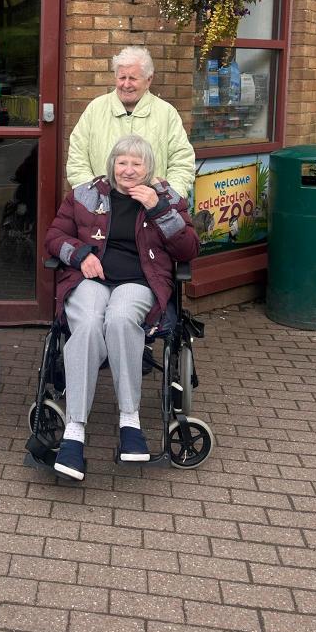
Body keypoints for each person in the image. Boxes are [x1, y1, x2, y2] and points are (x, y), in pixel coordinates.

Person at [44, 134, 199, 480]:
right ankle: (75, 429)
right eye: (122, 162)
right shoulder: (85, 194)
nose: (128, 170)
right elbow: (54, 237)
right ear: (112, 163)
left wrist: (158, 210)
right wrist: (80, 254)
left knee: (119, 318)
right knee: (86, 324)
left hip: (139, 282)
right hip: (90, 281)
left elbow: (188, 250)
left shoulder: (168, 198)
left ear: (149, 167)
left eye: (137, 163)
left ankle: (130, 420)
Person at [66, 46, 195, 198]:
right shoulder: (95, 109)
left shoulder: (166, 113)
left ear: (149, 80)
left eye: (133, 78)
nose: (126, 84)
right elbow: (77, 160)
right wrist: (92, 196)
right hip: (101, 209)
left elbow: (182, 162)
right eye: (122, 78)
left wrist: (165, 199)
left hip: (150, 210)